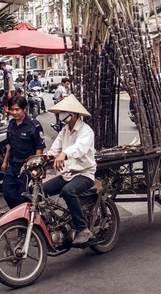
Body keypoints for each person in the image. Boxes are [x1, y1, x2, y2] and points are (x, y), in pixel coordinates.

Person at [42, 94, 97, 245]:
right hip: (66, 174)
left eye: (64, 111)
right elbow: (54, 150)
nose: (61, 115)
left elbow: (79, 148)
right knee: (40, 191)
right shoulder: (64, 131)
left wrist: (64, 154)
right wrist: (40, 160)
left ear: (73, 114)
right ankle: (51, 225)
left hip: (84, 174)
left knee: (68, 191)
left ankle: (83, 229)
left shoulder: (86, 131)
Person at [1, 96, 46, 209]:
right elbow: (9, 145)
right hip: (13, 166)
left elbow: (39, 148)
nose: (14, 112)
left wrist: (35, 168)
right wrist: (5, 162)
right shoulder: (11, 124)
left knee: (24, 197)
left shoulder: (34, 125)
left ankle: (24, 221)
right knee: (7, 192)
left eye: (17, 109)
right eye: (12, 110)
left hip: (27, 169)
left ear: (24, 109)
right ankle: (18, 216)